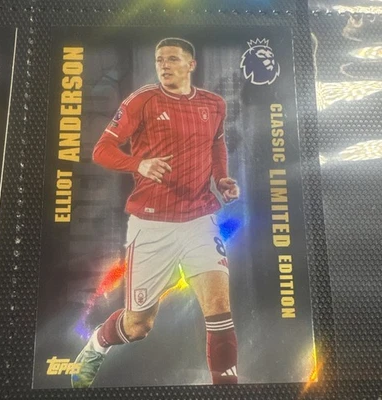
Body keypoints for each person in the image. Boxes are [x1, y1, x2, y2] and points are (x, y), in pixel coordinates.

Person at [71, 37, 240, 388]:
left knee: (220, 310)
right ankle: (98, 343)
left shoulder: (214, 104)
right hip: (151, 225)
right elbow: (102, 150)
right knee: (138, 326)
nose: (164, 65)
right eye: (160, 59)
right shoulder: (143, 100)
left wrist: (222, 179)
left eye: (173, 59)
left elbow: (216, 143)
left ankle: (228, 390)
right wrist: (139, 163)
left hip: (200, 220)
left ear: (191, 64)